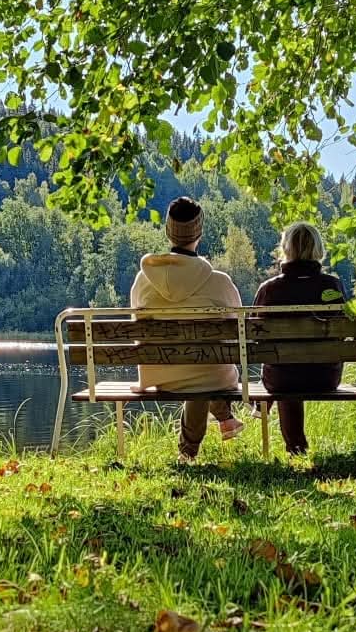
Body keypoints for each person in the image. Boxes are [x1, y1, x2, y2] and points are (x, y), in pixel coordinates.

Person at [129, 196, 245, 460]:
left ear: (168, 231)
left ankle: (188, 453)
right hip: (212, 374)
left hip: (160, 375)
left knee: (194, 371)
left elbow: (137, 325)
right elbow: (240, 329)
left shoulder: (143, 280)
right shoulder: (220, 283)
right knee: (202, 370)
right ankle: (199, 442)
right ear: (199, 233)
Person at [253, 222, 344, 456]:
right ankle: (296, 447)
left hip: (281, 379)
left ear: (286, 248)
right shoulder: (332, 286)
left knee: (286, 370)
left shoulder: (269, 290)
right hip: (325, 376)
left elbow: (255, 336)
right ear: (318, 249)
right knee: (292, 368)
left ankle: (295, 448)